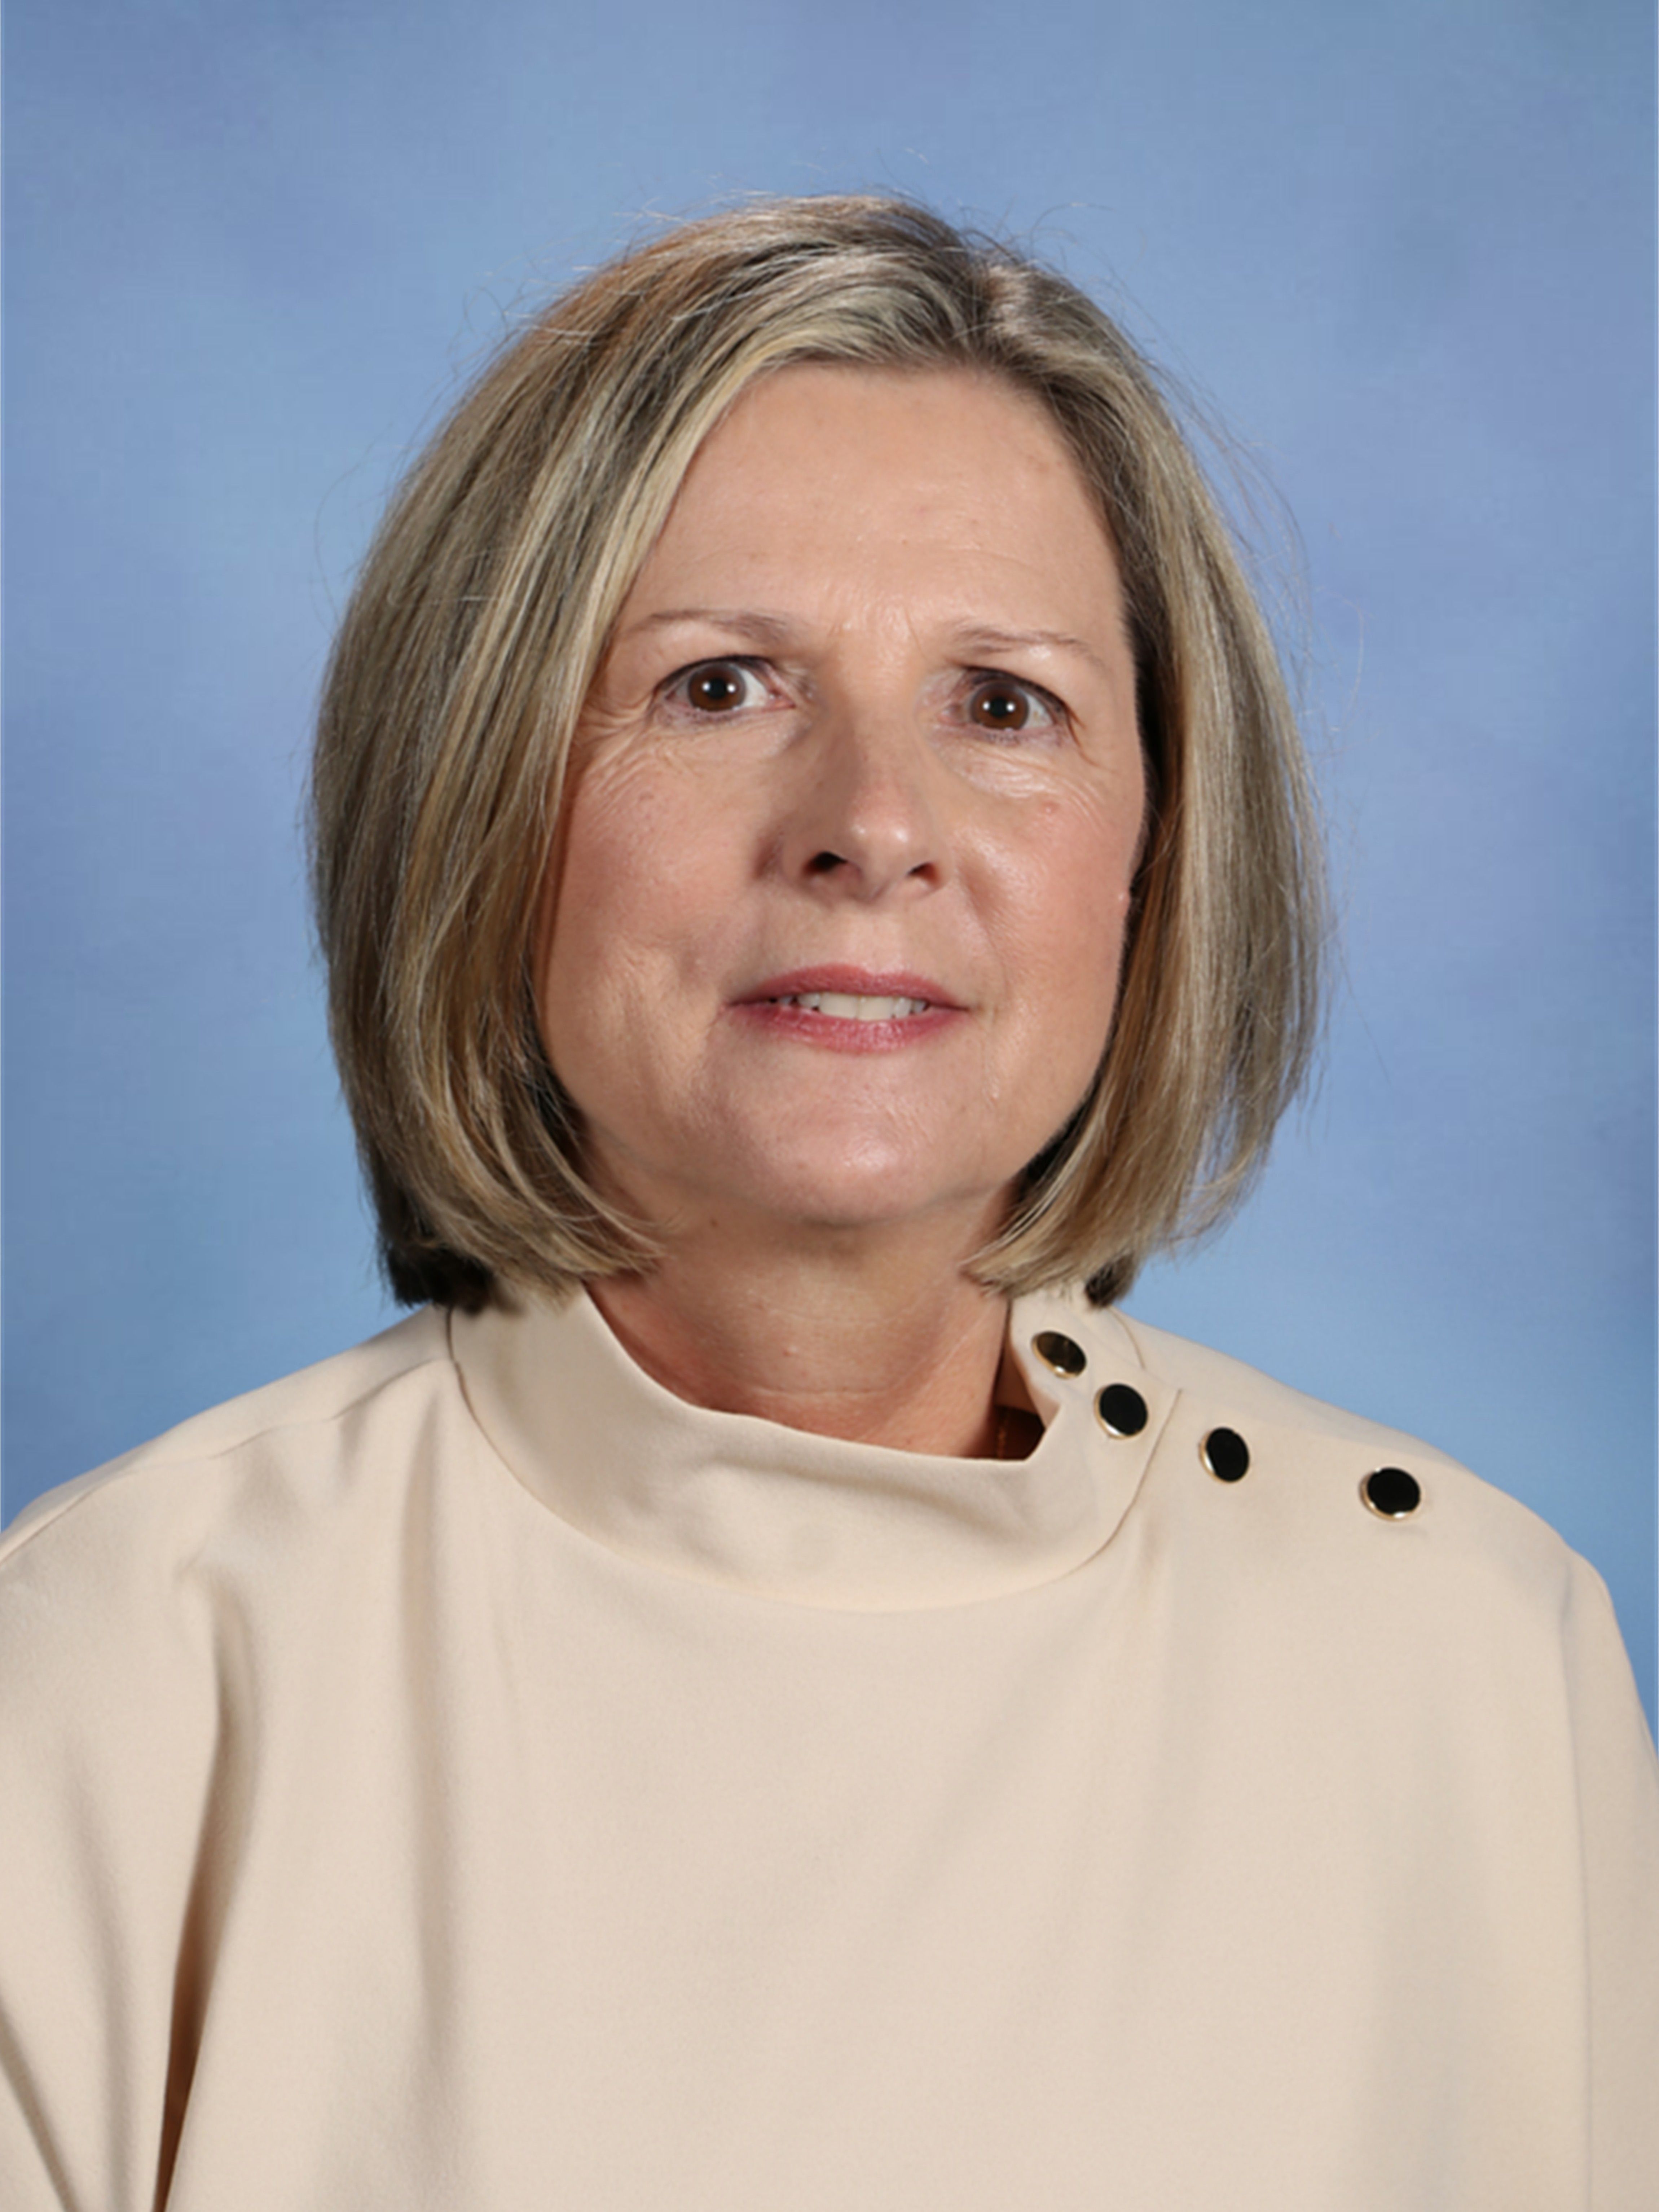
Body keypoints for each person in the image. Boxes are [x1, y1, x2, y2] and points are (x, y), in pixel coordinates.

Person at [2, 195, 1654, 2211]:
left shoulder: (1471, 1654)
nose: (873, 825)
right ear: (476, 794)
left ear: (1157, 845)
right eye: (720, 687)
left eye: (1002, 704)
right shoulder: (114, 1672)